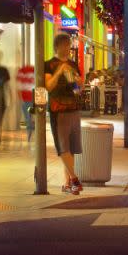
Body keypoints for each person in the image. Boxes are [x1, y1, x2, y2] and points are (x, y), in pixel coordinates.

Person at [44, 33, 83, 195]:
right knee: (63, 147)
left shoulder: (74, 65)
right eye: (65, 45)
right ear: (57, 47)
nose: (67, 48)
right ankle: (75, 179)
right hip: (57, 110)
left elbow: (77, 90)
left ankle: (67, 183)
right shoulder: (49, 65)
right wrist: (60, 71)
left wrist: (78, 81)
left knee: (71, 149)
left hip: (73, 108)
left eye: (69, 45)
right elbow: (49, 87)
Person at [16, 62, 35, 142]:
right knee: (30, 116)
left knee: (28, 117)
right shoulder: (34, 70)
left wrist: (20, 98)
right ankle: (31, 133)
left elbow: (19, 86)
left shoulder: (21, 71)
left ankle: (30, 134)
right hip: (33, 99)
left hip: (26, 100)